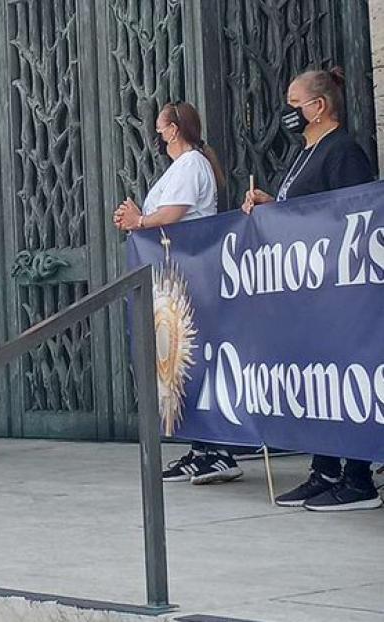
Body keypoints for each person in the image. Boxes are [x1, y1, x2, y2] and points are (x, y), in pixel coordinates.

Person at [243, 68, 380, 511]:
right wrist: (272, 207)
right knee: (319, 380)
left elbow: (354, 215)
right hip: (308, 292)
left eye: (294, 102)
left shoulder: (343, 151)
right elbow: (304, 212)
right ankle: (324, 470)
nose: (288, 112)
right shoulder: (307, 151)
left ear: (318, 107)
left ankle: (358, 478)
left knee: (345, 378)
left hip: (338, 291)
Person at [114, 101, 241, 485]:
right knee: (181, 363)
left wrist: (140, 220)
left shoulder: (191, 165)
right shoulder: (179, 168)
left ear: (172, 130)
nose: (156, 133)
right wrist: (136, 217)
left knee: (195, 359)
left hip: (192, 275)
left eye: (160, 127)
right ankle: (201, 448)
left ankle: (219, 450)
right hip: (175, 279)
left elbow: (173, 214)